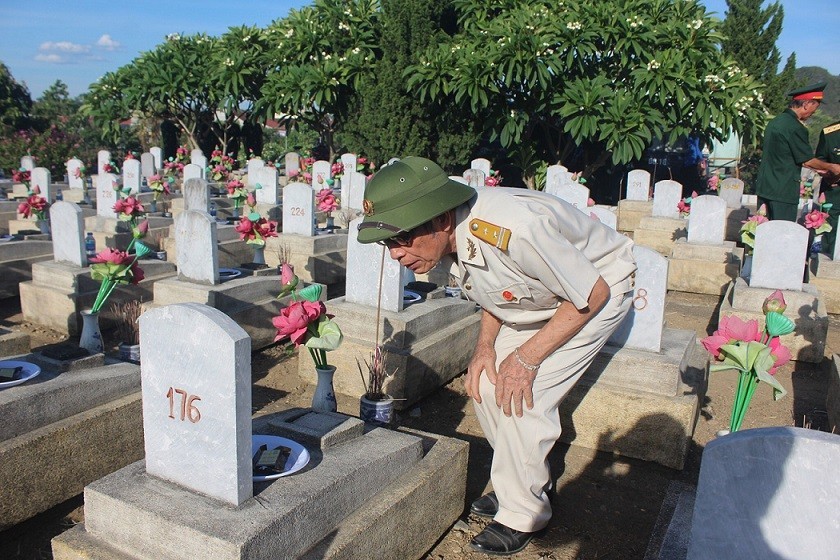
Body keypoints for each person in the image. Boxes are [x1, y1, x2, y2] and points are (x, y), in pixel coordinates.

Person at [357, 157, 636, 556]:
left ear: (439, 221)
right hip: (542, 297)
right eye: (388, 243)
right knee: (485, 382)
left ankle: (524, 512)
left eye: (400, 238)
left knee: (526, 392)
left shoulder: (512, 229)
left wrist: (526, 359)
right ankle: (522, 483)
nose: (396, 254)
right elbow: (494, 288)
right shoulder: (451, 238)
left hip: (596, 287)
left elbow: (590, 295)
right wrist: (484, 347)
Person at [755, 82, 840, 221]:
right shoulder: (795, 127)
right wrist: (832, 167)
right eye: (814, 108)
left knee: (763, 231)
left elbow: (789, 156)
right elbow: (807, 159)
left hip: (765, 187)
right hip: (783, 190)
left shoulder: (775, 121)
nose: (813, 113)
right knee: (783, 234)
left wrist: (819, 169)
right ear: (806, 104)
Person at [817, 117, 840, 255]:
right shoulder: (830, 133)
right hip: (835, 194)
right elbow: (819, 163)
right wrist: (830, 173)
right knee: (830, 240)